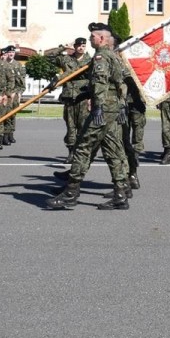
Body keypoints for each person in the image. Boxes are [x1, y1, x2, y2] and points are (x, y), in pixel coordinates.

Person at [47, 23, 133, 210]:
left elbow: (101, 82)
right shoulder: (112, 56)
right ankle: (121, 193)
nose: (89, 39)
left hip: (102, 110)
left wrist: (98, 107)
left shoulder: (102, 57)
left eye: (92, 36)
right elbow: (115, 83)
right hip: (112, 108)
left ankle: (70, 194)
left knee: (83, 148)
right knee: (112, 150)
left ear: (101, 38)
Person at [44, 37, 92, 162]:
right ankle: (71, 152)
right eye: (79, 45)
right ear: (74, 46)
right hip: (69, 97)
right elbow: (48, 57)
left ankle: (80, 153)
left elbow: (95, 79)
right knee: (70, 127)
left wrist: (92, 97)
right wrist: (64, 47)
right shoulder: (66, 59)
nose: (81, 48)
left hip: (83, 96)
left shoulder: (90, 60)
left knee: (83, 127)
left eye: (83, 46)